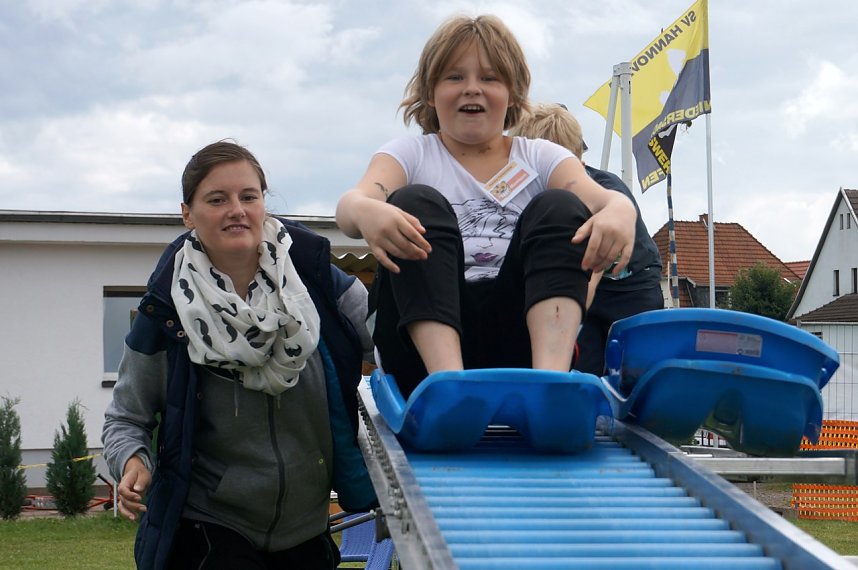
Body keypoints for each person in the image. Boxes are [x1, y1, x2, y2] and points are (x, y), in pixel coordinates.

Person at [102, 141, 375, 570]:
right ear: (188, 214)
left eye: (249, 196)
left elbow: (388, 340)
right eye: (217, 199)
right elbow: (125, 418)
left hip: (306, 526)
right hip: (210, 526)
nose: (237, 209)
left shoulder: (319, 282)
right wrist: (132, 460)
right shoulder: (166, 308)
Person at [336, 15, 637, 398]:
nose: (472, 89)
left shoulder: (542, 157)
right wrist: (367, 212)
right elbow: (351, 204)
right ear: (431, 92)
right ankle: (451, 389)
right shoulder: (411, 154)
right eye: (455, 77)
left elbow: (605, 200)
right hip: (421, 352)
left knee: (561, 206)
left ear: (512, 93)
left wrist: (620, 212)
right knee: (414, 202)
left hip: (517, 342)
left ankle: (550, 386)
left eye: (490, 78)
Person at [509, 103, 665, 375]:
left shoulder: (602, 191)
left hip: (630, 285)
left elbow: (589, 277)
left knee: (633, 367)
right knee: (585, 362)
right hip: (582, 276)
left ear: (575, 165)